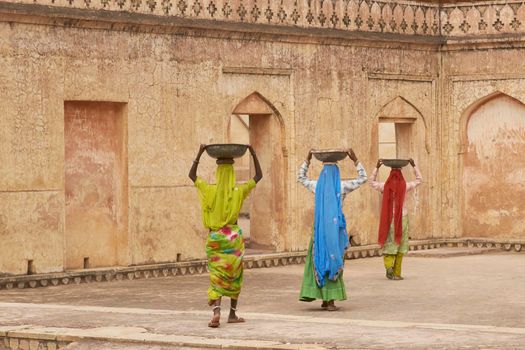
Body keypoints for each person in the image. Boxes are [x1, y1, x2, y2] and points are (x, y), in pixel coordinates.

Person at [189, 144, 263, 328]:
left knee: (217, 275)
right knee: (235, 275)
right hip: (233, 239)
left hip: (216, 239)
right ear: (232, 174)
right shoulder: (238, 192)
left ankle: (216, 312)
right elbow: (258, 176)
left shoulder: (209, 190)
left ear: (218, 173)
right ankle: (232, 314)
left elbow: (192, 176)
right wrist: (253, 152)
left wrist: (199, 152)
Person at [298, 149, 367, 311]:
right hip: (335, 232)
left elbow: (300, 177)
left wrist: (307, 159)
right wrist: (355, 160)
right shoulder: (342, 186)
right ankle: (330, 301)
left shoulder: (317, 186)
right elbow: (363, 178)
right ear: (337, 172)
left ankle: (324, 298)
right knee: (334, 260)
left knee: (319, 259)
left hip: (320, 232)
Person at [370, 158, 422, 280]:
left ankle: (389, 266)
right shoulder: (405, 186)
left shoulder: (384, 186)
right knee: (400, 245)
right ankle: (397, 273)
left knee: (390, 243)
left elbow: (371, 182)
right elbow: (419, 180)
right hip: (402, 219)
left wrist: (376, 167)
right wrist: (414, 165)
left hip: (389, 220)